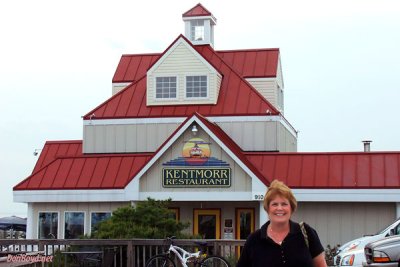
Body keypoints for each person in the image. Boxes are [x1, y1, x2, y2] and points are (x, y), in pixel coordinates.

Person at [236, 180, 327, 267]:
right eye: (274, 204)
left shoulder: (306, 233)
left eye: (284, 204)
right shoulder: (254, 239)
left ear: (291, 208)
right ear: (268, 209)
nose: (279, 208)